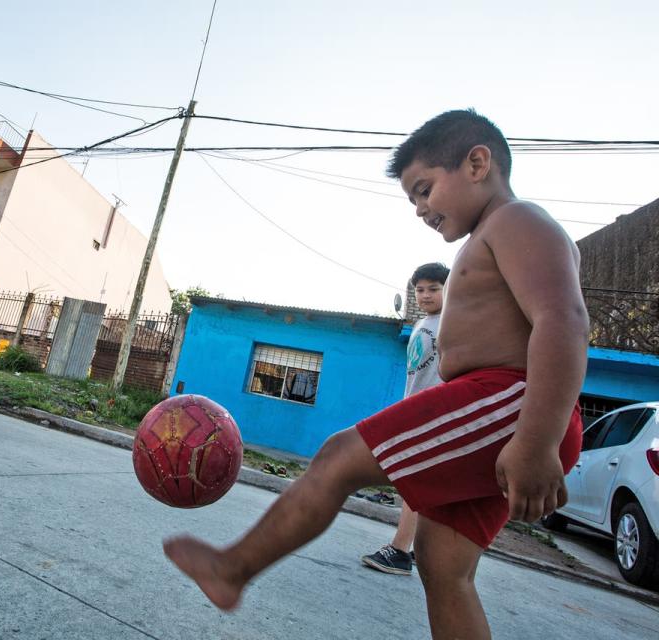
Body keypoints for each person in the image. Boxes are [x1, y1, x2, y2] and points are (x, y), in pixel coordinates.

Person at [163, 110, 588, 640]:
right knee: (442, 567)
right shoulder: (490, 236)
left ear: (477, 163)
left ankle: (233, 569)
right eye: (412, 198)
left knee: (340, 457)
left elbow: (564, 320)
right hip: (500, 412)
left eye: (425, 189)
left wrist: (536, 441)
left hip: (513, 406)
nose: (420, 209)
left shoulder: (517, 220)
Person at [362, 262, 449, 575]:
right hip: (415, 408)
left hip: (435, 412)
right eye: (420, 290)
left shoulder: (453, 322)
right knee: (416, 482)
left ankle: (400, 550)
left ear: (449, 289)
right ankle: (412, 550)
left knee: (415, 481)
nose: (425, 295)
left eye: (434, 289)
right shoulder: (422, 323)